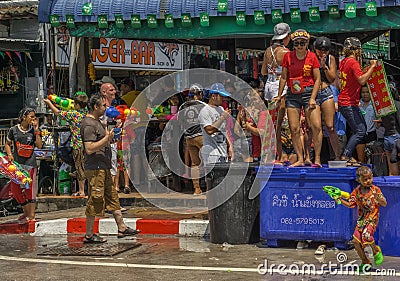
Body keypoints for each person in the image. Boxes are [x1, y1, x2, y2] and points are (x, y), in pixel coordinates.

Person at [80, 93, 140, 243]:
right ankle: (89, 234)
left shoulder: (98, 122)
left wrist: (112, 136)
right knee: (95, 198)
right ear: (95, 107)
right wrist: (107, 138)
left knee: (112, 197)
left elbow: (103, 140)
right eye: (104, 105)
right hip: (95, 168)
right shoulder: (88, 124)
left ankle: (122, 227)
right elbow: (89, 148)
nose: (106, 108)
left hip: (104, 166)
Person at [274, 29, 322, 167]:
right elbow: (284, 77)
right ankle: (300, 158)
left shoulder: (312, 57)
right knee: (294, 128)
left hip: (308, 92)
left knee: (316, 126)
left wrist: (313, 97)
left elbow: (317, 78)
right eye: (297, 43)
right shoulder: (288, 57)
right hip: (293, 93)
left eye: (302, 43)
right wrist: (279, 95)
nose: (299, 46)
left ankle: (317, 158)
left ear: (307, 43)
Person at [338, 166, 386, 272]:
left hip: (372, 219)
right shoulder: (357, 192)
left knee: (366, 236)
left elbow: (384, 203)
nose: (368, 181)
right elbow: (351, 204)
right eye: (365, 179)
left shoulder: (375, 190)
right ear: (358, 180)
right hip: (361, 220)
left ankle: (376, 251)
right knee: (356, 241)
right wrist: (340, 200)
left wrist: (378, 198)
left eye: (370, 178)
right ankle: (365, 261)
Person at [338, 37, 377, 165]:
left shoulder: (344, 62)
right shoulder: (353, 63)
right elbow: (361, 80)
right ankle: (346, 156)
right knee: (360, 131)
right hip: (348, 103)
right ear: (356, 50)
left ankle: (347, 156)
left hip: (348, 102)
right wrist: (372, 67)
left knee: (360, 129)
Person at [43, 92, 88, 197]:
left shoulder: (74, 114)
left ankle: (81, 191)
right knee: (84, 167)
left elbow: (58, 113)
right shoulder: (86, 113)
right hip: (88, 145)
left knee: (79, 167)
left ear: (77, 105)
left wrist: (50, 103)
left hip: (78, 145)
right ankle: (84, 189)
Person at [4, 107, 43, 222]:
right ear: (24, 117)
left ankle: (31, 215)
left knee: (29, 190)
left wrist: (36, 131)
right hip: (17, 165)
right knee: (15, 189)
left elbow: (39, 145)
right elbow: (7, 143)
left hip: (30, 164)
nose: (33, 119)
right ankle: (26, 211)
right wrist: (10, 154)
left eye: (34, 117)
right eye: (31, 116)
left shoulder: (34, 130)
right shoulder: (13, 130)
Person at [261, 22, 291, 162]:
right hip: (281, 88)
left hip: (269, 86)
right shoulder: (285, 53)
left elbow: (263, 71)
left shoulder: (268, 51)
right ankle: (280, 155)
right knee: (281, 124)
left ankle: (277, 154)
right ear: (286, 37)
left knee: (273, 123)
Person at [313, 36, 341, 160]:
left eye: (326, 50)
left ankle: (337, 156)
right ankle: (314, 156)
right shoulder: (311, 58)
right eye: (320, 50)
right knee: (314, 127)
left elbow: (331, 78)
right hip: (312, 93)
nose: (323, 52)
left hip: (325, 91)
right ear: (315, 49)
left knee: (330, 126)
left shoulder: (331, 59)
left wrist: (324, 66)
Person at [179, 84, 206, 195]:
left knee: (195, 164)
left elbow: (180, 122)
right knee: (208, 162)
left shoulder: (182, 107)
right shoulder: (203, 105)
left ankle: (197, 189)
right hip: (201, 136)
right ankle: (210, 186)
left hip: (189, 138)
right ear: (199, 94)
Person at [198, 83, 233, 165]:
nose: (223, 99)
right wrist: (222, 117)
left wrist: (230, 146)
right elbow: (209, 130)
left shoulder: (220, 109)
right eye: (221, 96)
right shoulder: (205, 111)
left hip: (223, 150)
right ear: (213, 96)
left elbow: (224, 130)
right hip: (211, 152)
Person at [356, 85, 377, 163]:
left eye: (367, 92)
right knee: (361, 159)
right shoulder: (357, 104)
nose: (365, 94)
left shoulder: (375, 104)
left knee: (371, 159)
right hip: (360, 134)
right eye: (363, 92)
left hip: (371, 134)